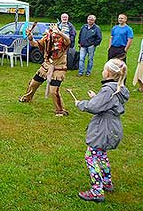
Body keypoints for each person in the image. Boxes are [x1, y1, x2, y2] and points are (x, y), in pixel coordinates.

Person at [74, 58, 129, 202]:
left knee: (91, 156)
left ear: (109, 73)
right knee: (101, 155)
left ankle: (97, 191)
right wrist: (96, 97)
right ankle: (107, 182)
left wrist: (81, 103)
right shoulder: (118, 87)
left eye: (104, 69)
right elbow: (107, 102)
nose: (102, 71)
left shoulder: (107, 89)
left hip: (104, 128)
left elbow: (94, 107)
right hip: (113, 126)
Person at [19, 23, 71, 116]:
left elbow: (68, 41)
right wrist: (30, 37)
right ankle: (27, 98)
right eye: (51, 29)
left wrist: (60, 33)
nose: (53, 31)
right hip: (46, 65)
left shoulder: (63, 40)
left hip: (59, 68)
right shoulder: (47, 39)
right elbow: (35, 44)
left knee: (53, 91)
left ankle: (60, 110)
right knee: (33, 83)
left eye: (55, 29)